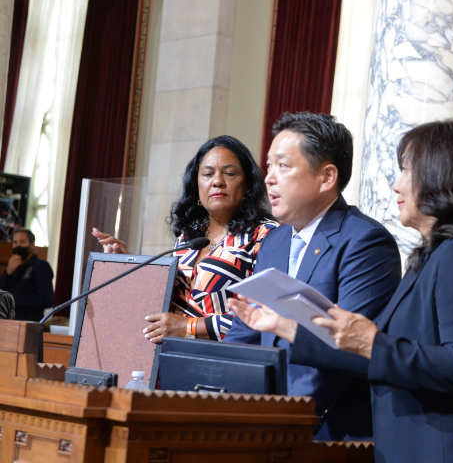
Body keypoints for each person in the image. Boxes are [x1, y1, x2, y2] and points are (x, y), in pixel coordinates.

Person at [229, 119, 453, 462]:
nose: (396, 185)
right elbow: (388, 350)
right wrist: (283, 326)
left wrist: (373, 342)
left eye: (405, 170)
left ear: (440, 175)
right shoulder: (435, 256)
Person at [223, 112, 401, 441]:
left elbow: (350, 348)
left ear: (326, 177)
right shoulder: (275, 241)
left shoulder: (364, 241)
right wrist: (217, 396)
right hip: (266, 423)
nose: (269, 178)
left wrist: (282, 421)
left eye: (283, 166)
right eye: (269, 166)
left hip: (326, 432)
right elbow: (246, 330)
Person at [93, 135, 277, 342]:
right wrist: (129, 267)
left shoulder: (266, 235)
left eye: (229, 173)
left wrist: (187, 327)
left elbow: (264, 316)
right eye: (207, 174)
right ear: (196, 185)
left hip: (225, 362)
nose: (217, 181)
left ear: (247, 185)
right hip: (173, 357)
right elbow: (163, 305)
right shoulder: (189, 237)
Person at [0, 228, 54, 321]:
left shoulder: (41, 266)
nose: (18, 245)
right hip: (8, 322)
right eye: (15, 242)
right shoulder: (13, 267)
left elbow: (46, 300)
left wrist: (14, 298)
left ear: (32, 245)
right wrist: (7, 273)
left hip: (29, 322)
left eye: (22, 242)